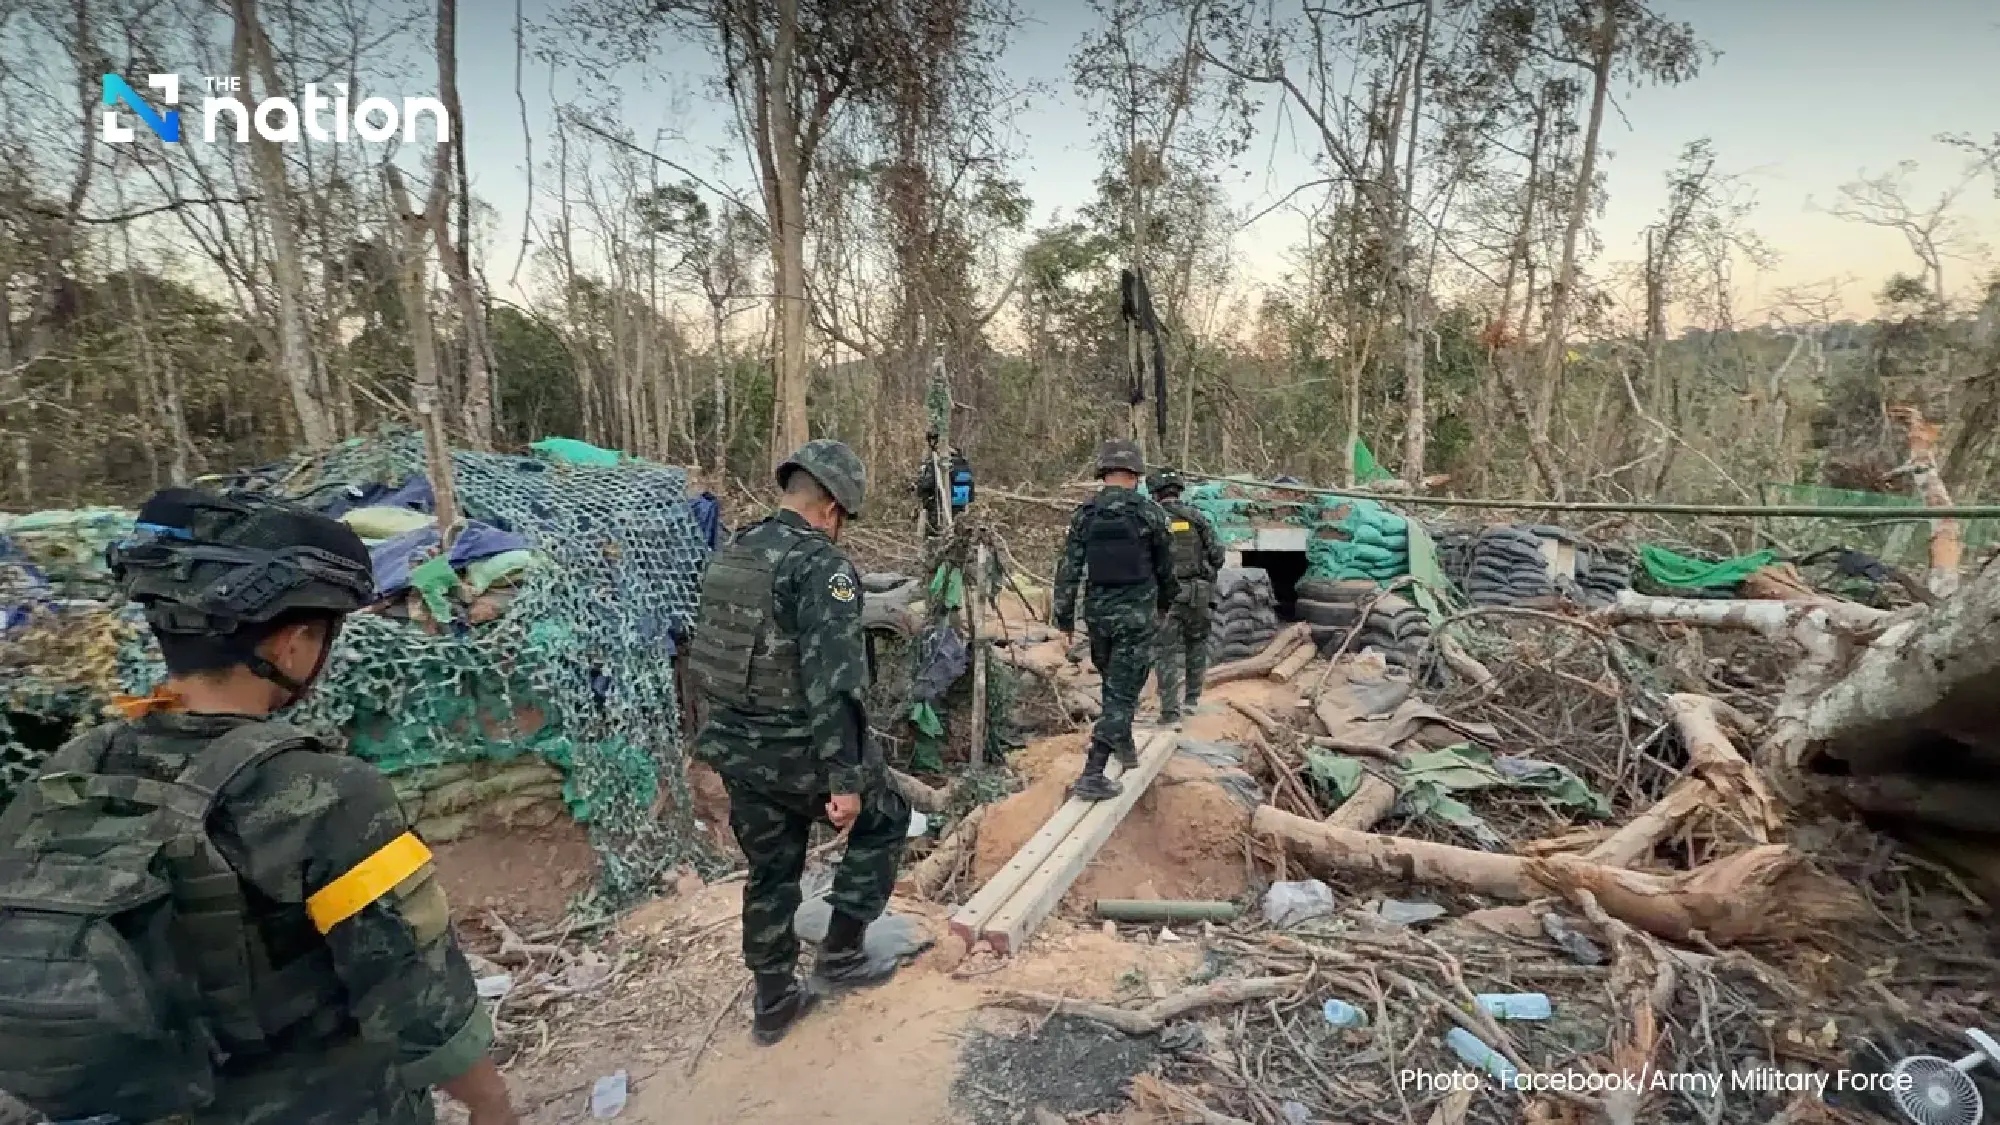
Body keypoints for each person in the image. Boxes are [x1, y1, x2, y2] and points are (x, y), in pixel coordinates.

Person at [0, 487, 517, 1125]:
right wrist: (492, 1105)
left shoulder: (71, 770)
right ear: (291, 645)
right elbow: (418, 996)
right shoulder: (325, 793)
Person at [687, 439, 912, 1046]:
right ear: (833, 506)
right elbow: (836, 685)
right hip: (796, 747)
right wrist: (845, 780)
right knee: (887, 816)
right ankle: (841, 954)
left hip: (735, 746)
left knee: (771, 867)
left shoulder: (733, 551)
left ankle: (774, 1001)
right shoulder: (822, 567)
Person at [1052, 440, 1178, 801]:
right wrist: (1165, 606)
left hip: (1098, 617)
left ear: (1103, 473)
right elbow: (1166, 569)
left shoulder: (1086, 514)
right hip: (1135, 619)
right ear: (1136, 475)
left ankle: (1124, 746)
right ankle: (1093, 773)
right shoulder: (1151, 513)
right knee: (1122, 695)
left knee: (1113, 685)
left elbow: (1068, 569)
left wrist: (1064, 619)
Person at [1147, 470, 1224, 725]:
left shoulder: (1152, 520)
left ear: (1155, 493)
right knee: (1196, 645)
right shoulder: (1197, 518)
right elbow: (1218, 555)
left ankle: (1170, 711)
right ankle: (1192, 700)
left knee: (1165, 651)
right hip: (1198, 595)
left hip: (1166, 598)